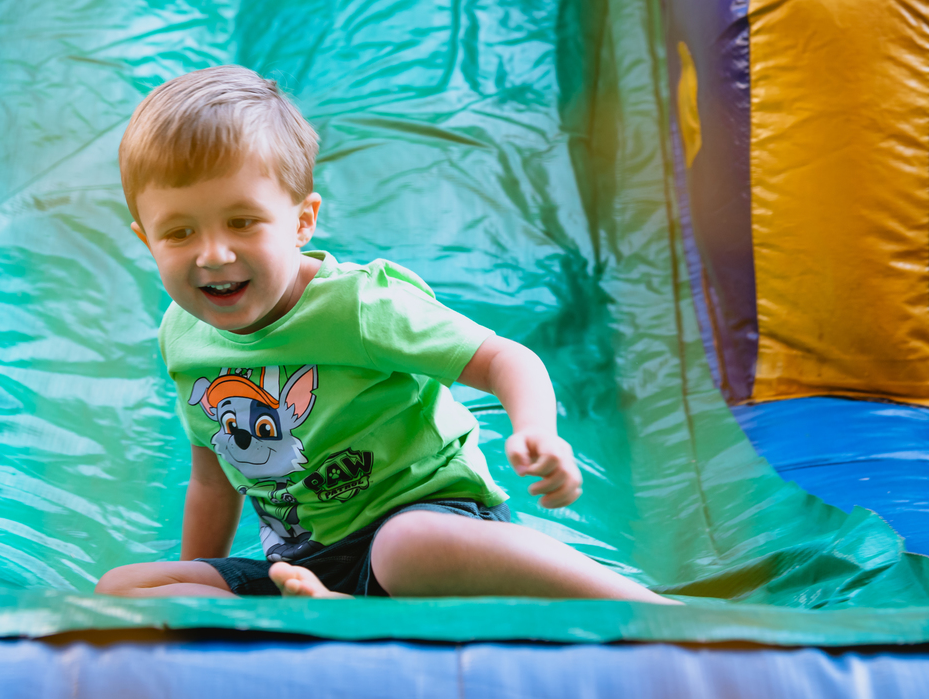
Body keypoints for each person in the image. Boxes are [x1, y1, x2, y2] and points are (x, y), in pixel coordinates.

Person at [94, 65, 677, 603]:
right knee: (123, 587)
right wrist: (205, 574)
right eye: (179, 233)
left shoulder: (358, 305)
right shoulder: (184, 336)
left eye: (242, 222)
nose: (213, 255)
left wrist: (538, 433)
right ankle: (331, 612)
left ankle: (646, 607)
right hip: (308, 564)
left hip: (431, 526)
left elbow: (504, 357)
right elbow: (213, 483)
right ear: (146, 239)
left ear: (301, 222)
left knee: (405, 550)